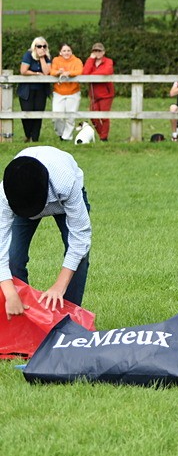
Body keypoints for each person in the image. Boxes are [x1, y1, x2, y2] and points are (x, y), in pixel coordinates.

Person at [1, 147, 92, 316]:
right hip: (24, 198)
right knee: (13, 258)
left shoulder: (66, 182)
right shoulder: (7, 194)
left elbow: (80, 239)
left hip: (62, 199)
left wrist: (59, 286)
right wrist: (10, 292)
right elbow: (1, 248)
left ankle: (69, 321)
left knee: (79, 258)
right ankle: (26, 318)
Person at [17, 37, 52, 143]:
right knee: (27, 113)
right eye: (39, 46)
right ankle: (28, 135)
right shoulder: (28, 55)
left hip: (41, 90)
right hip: (27, 89)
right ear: (34, 47)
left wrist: (42, 58)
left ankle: (35, 138)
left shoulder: (47, 57)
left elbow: (47, 72)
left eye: (44, 46)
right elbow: (23, 70)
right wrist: (36, 73)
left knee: (38, 113)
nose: (42, 48)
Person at [82, 43, 115, 142]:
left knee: (104, 117)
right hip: (94, 95)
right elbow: (85, 73)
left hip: (106, 94)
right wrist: (91, 59)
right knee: (93, 117)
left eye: (99, 51)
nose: (97, 53)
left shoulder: (108, 61)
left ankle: (103, 138)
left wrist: (91, 75)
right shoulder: (91, 62)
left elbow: (106, 72)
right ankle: (102, 135)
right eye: (95, 51)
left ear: (103, 52)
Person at [50, 44, 83, 141]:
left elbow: (80, 71)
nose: (66, 52)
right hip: (59, 92)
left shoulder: (77, 61)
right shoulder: (56, 60)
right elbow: (52, 71)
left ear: (71, 52)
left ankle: (67, 137)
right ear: (60, 52)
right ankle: (60, 134)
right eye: (64, 51)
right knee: (57, 116)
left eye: (68, 50)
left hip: (73, 92)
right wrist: (58, 72)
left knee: (70, 116)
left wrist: (69, 73)